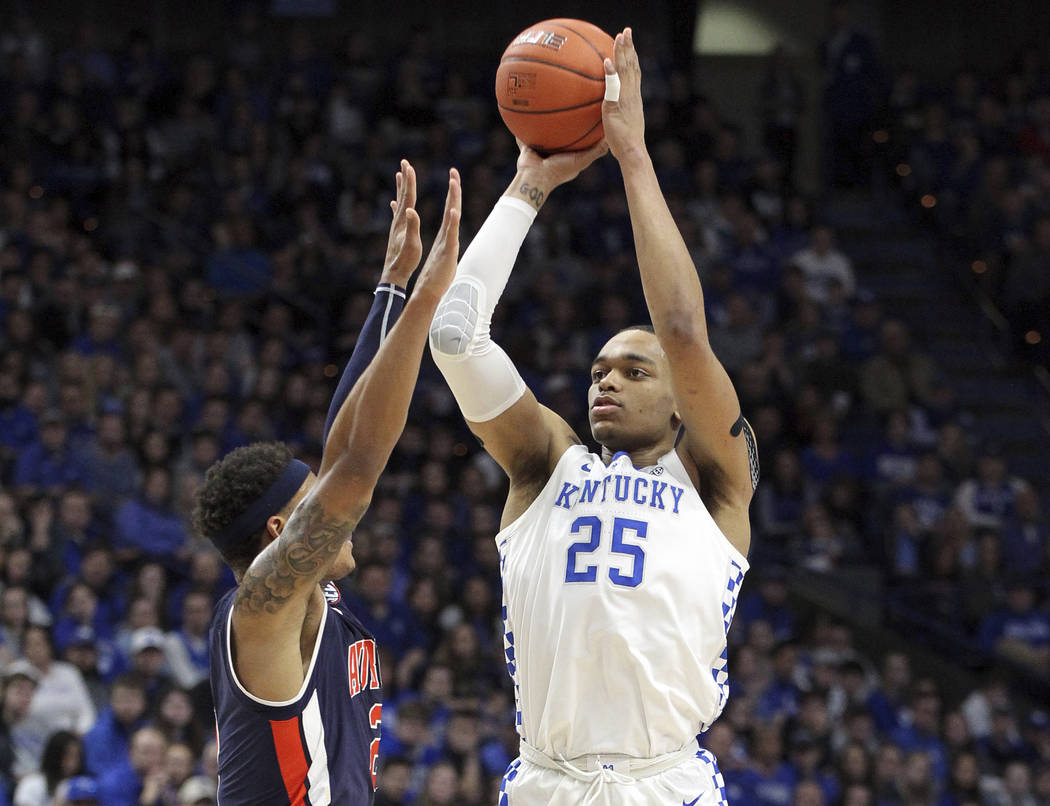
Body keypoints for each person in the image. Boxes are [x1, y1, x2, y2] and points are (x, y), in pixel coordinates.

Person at [429, 28, 758, 805]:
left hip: (666, 784)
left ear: (681, 399)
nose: (605, 381)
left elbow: (681, 332)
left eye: (633, 371)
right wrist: (527, 188)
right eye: (597, 370)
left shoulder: (714, 482)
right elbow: (453, 335)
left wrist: (633, 157)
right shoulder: (546, 465)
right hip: (549, 781)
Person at [192, 161, 461, 804]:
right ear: (284, 533)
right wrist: (427, 304)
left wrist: (392, 288)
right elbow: (361, 464)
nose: (340, 506)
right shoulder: (263, 609)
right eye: (316, 500)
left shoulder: (308, 592)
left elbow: (341, 444)